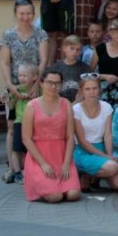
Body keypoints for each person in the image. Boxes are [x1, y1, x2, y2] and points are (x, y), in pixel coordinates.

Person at [0, 0, 50, 182]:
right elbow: (5, 63)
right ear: (16, 14)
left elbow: (43, 61)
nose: (25, 17)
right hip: (15, 87)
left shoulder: (41, 34)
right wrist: (10, 86)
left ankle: (32, 166)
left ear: (33, 14)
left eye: (28, 13)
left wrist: (36, 85)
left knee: (34, 128)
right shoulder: (8, 35)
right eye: (21, 13)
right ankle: (12, 169)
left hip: (35, 88)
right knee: (12, 128)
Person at [21, 68, 81, 203]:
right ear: (41, 83)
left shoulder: (66, 104)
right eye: (50, 83)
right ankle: (42, 184)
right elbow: (26, 138)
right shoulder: (31, 106)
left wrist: (66, 163)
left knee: (73, 194)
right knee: (55, 196)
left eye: (58, 83)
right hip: (39, 157)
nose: (54, 87)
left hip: (61, 155)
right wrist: (43, 164)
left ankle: (61, 185)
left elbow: (70, 136)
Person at [72, 76, 118, 193]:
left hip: (102, 148)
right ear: (82, 91)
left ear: (99, 89)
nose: (92, 92)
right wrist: (106, 157)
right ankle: (84, 174)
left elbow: (108, 135)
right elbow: (82, 141)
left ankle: (92, 176)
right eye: (87, 89)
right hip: (83, 150)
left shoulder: (106, 107)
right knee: (112, 167)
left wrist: (109, 155)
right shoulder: (76, 109)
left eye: (95, 88)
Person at [90, 18, 118, 107]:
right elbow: (90, 73)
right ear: (110, 32)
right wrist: (104, 76)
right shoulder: (100, 49)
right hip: (104, 90)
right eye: (116, 31)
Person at [50, 35, 89, 102]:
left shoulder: (84, 68)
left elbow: (86, 88)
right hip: (59, 102)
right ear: (64, 48)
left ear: (81, 52)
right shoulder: (55, 67)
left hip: (79, 102)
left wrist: (75, 103)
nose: (74, 52)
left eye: (78, 49)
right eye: (72, 48)